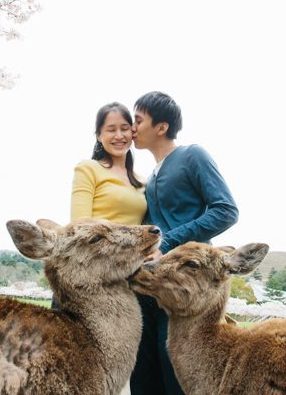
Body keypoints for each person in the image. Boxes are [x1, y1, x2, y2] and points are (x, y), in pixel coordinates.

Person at [129, 91, 239, 395]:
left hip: (187, 283)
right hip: (154, 281)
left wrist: (171, 241)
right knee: (144, 368)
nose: (132, 127)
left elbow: (226, 210)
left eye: (138, 120)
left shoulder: (193, 155)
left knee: (176, 365)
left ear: (161, 126)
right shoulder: (151, 176)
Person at [71, 101, 146, 225]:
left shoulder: (143, 182)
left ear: (132, 132)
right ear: (99, 136)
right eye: (111, 130)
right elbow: (79, 226)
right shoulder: (87, 169)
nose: (119, 135)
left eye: (124, 129)